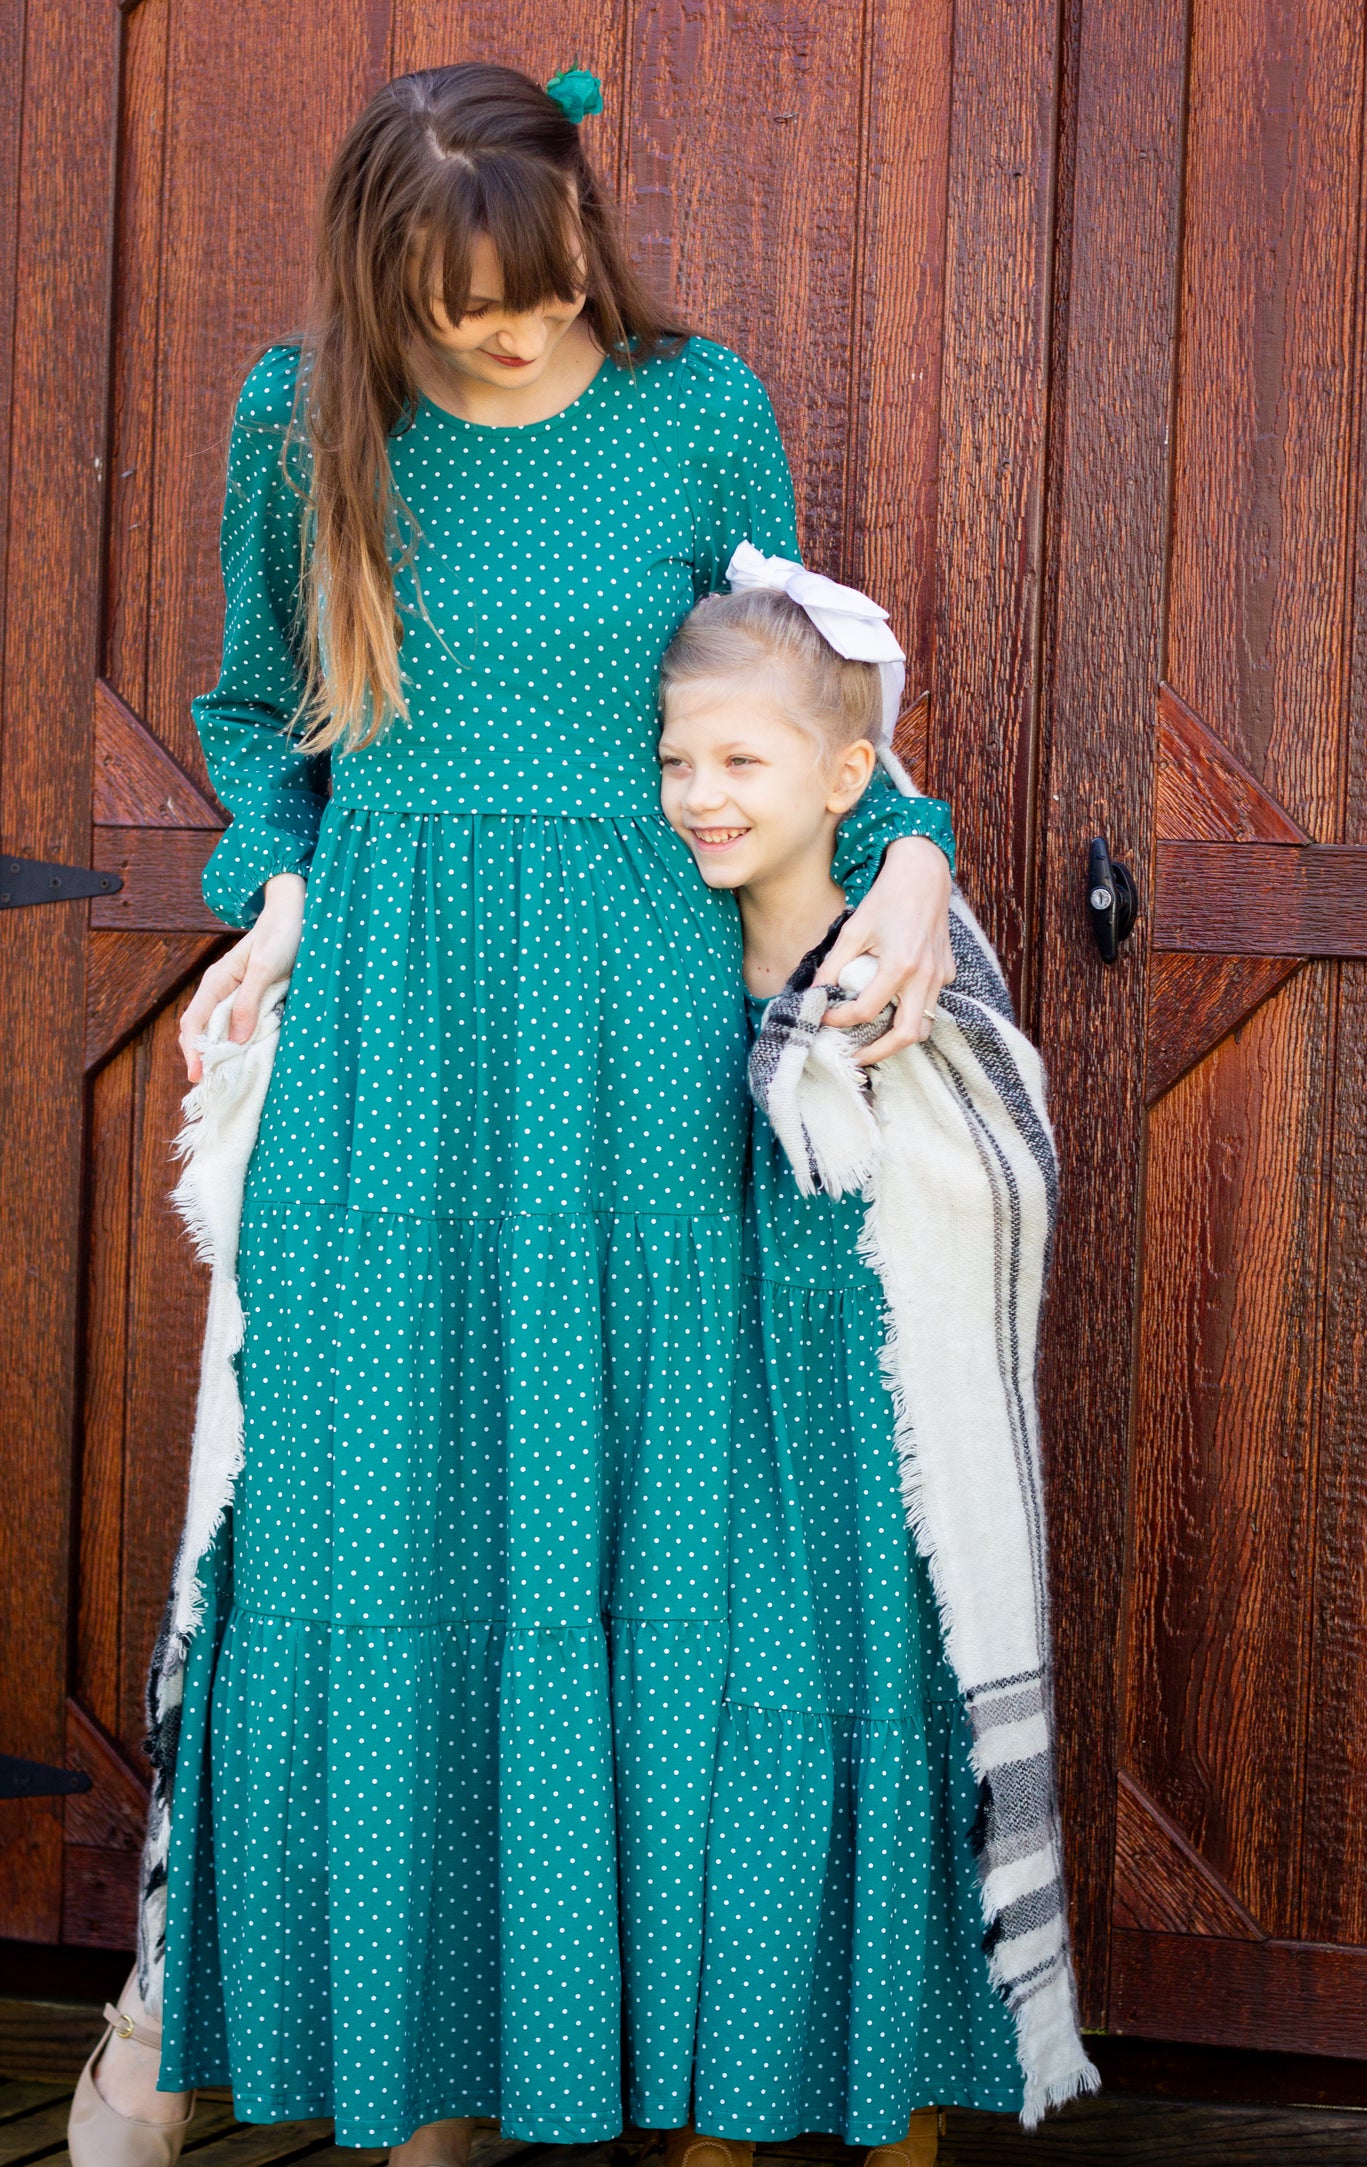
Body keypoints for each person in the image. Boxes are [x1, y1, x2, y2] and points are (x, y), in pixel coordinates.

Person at [66, 60, 958, 2167]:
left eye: (543, 291)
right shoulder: (302, 416)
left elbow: (795, 682)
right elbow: (254, 710)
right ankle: (419, 2071)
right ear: (383, 275)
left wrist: (904, 846)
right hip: (399, 1032)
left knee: (666, 1525)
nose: (511, 334)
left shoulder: (698, 402)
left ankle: (651, 2053)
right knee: (388, 1519)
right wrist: (273, 884)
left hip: (654, 1030)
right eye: (466, 303)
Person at [653, 563, 1097, 2159]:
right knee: (742, 1767)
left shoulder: (897, 950)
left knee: (888, 1748)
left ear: (844, 776)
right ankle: (721, 2117)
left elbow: (993, 1156)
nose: (699, 797)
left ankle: (894, 2110)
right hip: (716, 1432)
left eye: (739, 763)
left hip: (879, 1440)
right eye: (675, 762)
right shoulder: (656, 944)